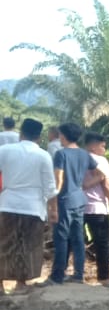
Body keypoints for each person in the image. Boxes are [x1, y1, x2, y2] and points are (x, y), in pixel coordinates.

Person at [0, 118, 57, 294]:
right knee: (28, 245)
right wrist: (54, 210)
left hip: (7, 205)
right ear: (39, 137)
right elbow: (50, 188)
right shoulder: (43, 155)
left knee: (3, 244)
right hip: (33, 208)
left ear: (21, 134)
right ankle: (21, 284)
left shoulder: (4, 150)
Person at [46, 122, 96, 286]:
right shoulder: (84, 154)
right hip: (79, 199)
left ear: (64, 136)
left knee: (61, 239)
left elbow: (58, 180)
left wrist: (52, 203)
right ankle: (78, 275)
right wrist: (84, 185)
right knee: (77, 239)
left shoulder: (61, 154)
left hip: (64, 201)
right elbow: (99, 173)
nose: (59, 137)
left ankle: (57, 276)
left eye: (60, 134)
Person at [82, 132, 109, 287]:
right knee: (102, 244)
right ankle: (104, 278)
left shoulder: (78, 158)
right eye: (102, 146)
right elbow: (107, 185)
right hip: (97, 207)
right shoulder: (100, 160)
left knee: (77, 242)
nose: (104, 149)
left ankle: (75, 276)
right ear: (93, 145)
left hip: (79, 207)